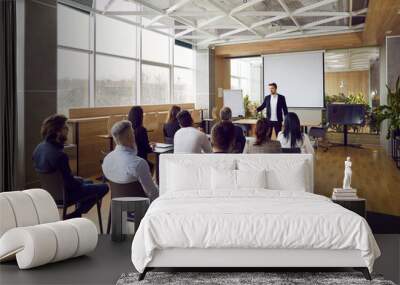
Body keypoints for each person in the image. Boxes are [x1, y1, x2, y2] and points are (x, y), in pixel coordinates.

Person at [33, 114, 109, 218]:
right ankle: (76, 214)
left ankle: (77, 215)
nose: (68, 130)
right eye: (65, 127)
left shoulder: (39, 148)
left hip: (50, 194)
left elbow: (60, 178)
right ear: (57, 131)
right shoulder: (60, 155)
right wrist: (79, 181)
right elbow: (71, 184)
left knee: (88, 182)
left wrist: (79, 180)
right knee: (104, 187)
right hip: (66, 195)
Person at [102, 120, 159, 202]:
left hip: (117, 206)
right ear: (130, 136)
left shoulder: (107, 159)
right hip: (140, 207)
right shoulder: (138, 163)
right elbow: (153, 193)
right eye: (132, 133)